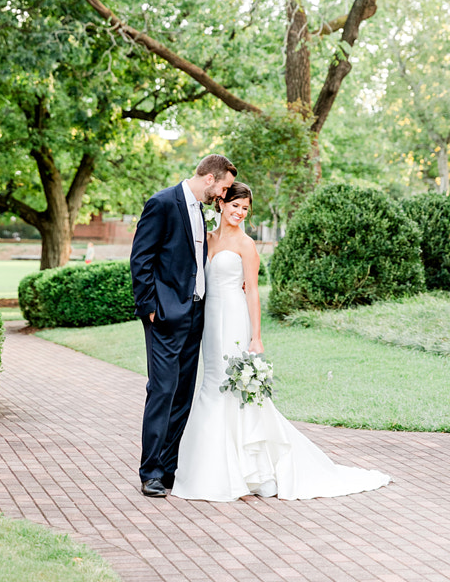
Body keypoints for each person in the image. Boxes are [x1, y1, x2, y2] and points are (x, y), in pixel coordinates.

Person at [171, 181, 392, 502]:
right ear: (221, 204)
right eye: (235, 205)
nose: (240, 213)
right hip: (208, 323)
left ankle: (252, 469)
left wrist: (256, 336)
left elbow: (253, 291)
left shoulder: (247, 245)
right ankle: (212, 468)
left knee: (234, 387)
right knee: (212, 383)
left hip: (234, 319)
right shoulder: (205, 239)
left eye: (245, 208)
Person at [130, 153, 237, 497]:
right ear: (210, 179)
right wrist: (150, 308)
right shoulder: (162, 203)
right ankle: (151, 473)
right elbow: (141, 259)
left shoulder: (200, 211)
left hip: (195, 317)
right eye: (223, 187)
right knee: (162, 391)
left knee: (183, 396)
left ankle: (170, 467)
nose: (223, 195)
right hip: (164, 316)